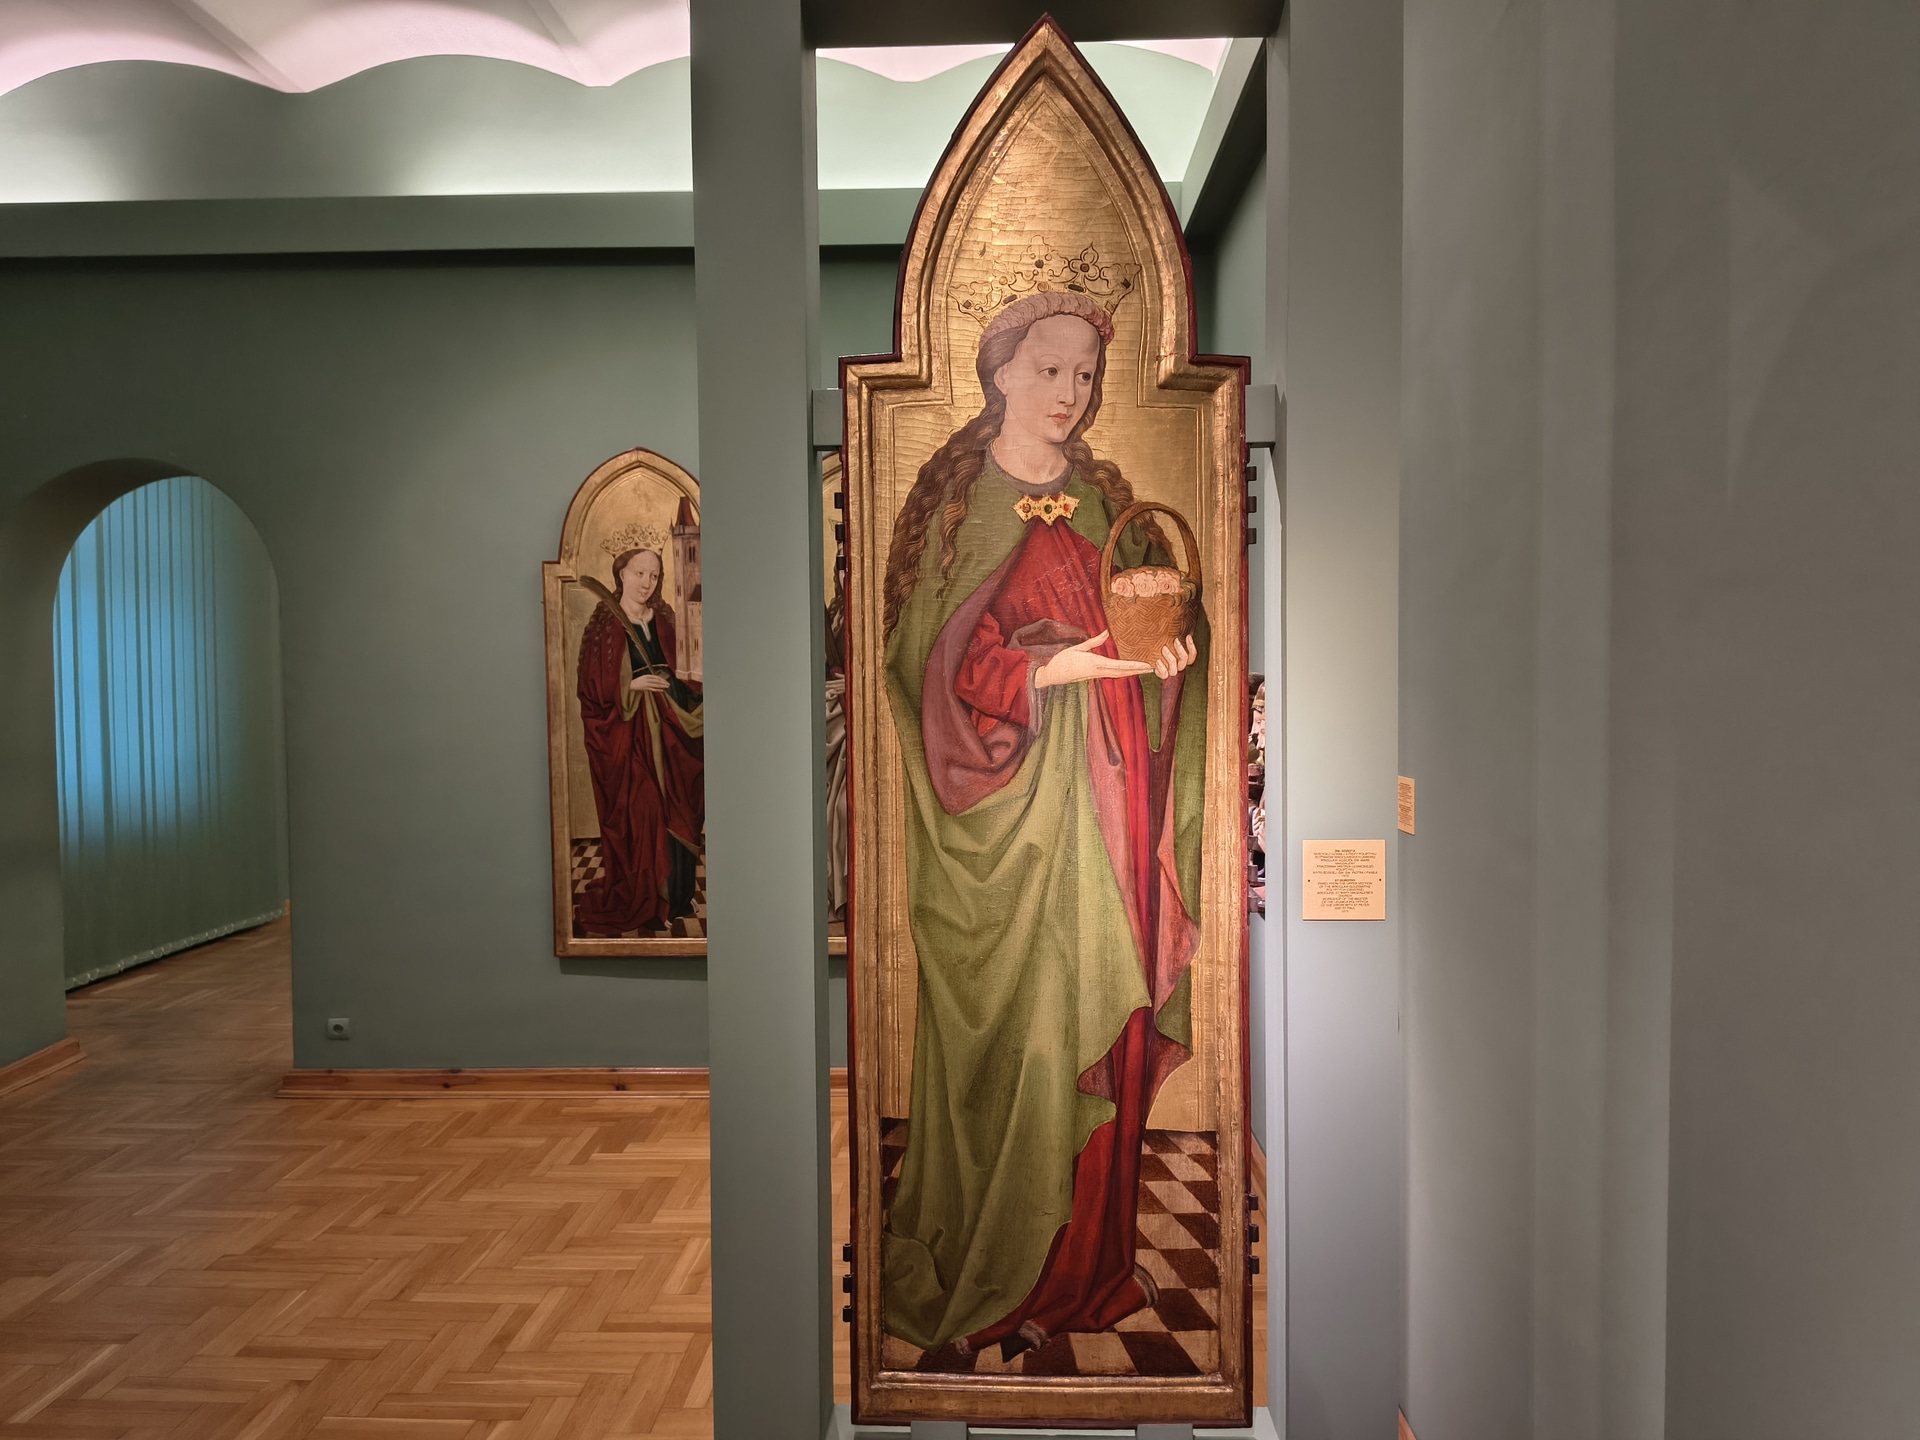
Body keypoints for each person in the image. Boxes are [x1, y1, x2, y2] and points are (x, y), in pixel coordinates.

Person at [880, 286, 1207, 1360]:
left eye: (1086, 375)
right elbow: (922, 666)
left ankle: (1085, 1276)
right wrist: (1048, 671)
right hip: (1010, 830)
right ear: (1000, 373)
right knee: (1027, 1037)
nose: (1070, 392)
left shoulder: (1106, 503)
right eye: (1049, 369)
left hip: (1112, 813)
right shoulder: (958, 509)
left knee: (1102, 1029)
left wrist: (1172, 659)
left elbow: (1151, 620)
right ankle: (1003, 1266)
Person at [574, 548, 704, 936]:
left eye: (654, 575)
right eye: (639, 573)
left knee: (678, 807)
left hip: (671, 731)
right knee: (643, 809)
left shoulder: (664, 618)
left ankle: (675, 898)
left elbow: (687, 667)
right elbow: (590, 688)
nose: (647, 583)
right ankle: (644, 898)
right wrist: (630, 686)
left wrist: (682, 687)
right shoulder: (605, 624)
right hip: (628, 740)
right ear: (622, 574)